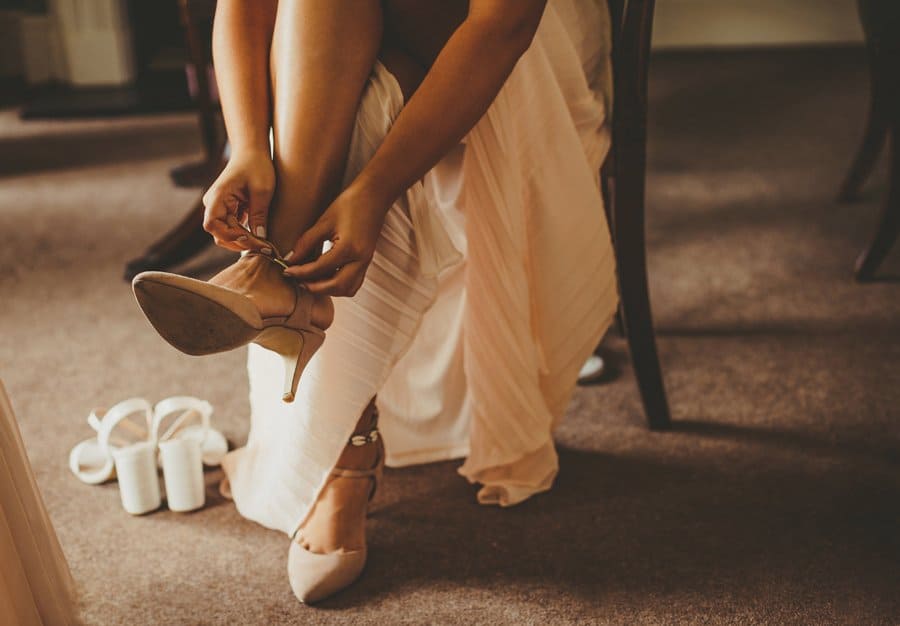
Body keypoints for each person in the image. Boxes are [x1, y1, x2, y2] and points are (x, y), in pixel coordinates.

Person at [133, 0, 617, 604]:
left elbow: (505, 25)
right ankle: (292, 318)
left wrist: (373, 192)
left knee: (335, 95)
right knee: (354, 91)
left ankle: (279, 294)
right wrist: (247, 148)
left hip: (507, 45)